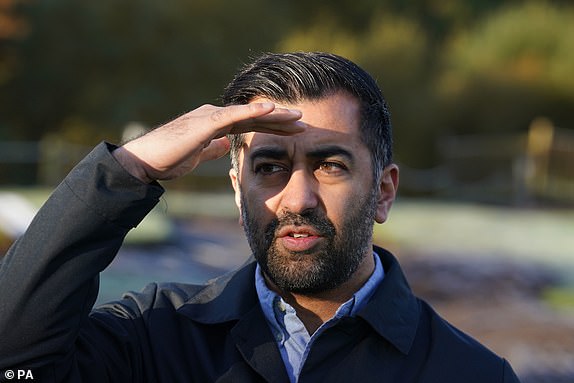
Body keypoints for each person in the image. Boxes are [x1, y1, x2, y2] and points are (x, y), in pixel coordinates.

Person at [0, 52, 520, 382]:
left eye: (331, 165)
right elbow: (15, 360)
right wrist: (126, 169)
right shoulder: (154, 338)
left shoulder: (470, 373)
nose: (298, 199)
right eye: (269, 166)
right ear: (236, 186)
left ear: (383, 191)